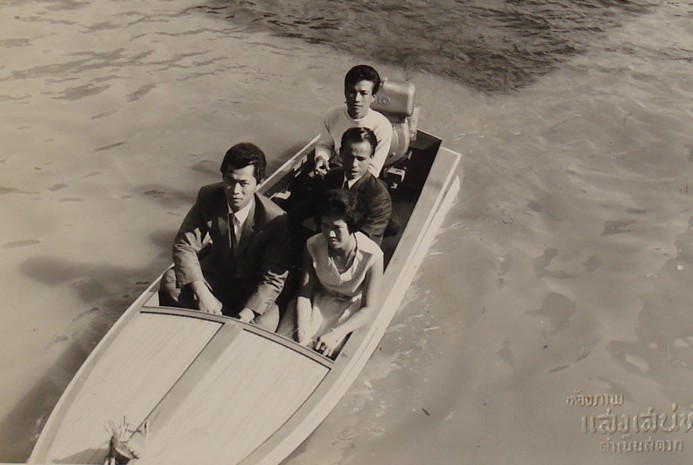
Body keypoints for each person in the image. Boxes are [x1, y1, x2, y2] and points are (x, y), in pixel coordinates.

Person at [158, 143, 290, 331]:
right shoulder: (208, 197)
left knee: (266, 323)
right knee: (170, 281)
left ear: (258, 183)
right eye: (230, 180)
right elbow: (184, 244)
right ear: (223, 176)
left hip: (250, 289)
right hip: (216, 279)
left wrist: (247, 314)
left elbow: (273, 278)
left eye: (244, 183)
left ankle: (214, 319)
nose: (235, 191)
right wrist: (202, 293)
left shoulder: (275, 219)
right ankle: (214, 315)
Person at [278, 189, 384, 358]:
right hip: (316, 302)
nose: (330, 234)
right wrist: (301, 328)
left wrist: (335, 334)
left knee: (327, 354)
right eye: (325, 226)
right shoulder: (312, 245)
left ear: (352, 227)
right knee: (285, 344)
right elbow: (304, 294)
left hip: (351, 310)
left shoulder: (373, 255)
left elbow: (368, 308)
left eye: (337, 228)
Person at [288, 127, 392, 246]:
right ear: (341, 152)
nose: (354, 164)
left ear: (372, 157)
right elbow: (305, 208)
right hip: (321, 240)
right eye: (349, 156)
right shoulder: (331, 177)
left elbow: (366, 240)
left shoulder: (378, 197)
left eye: (361, 159)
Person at [313, 64, 393, 178]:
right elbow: (325, 145)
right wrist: (321, 157)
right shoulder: (332, 115)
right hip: (334, 170)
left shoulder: (382, 126)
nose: (356, 99)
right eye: (352, 91)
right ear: (345, 92)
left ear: (373, 97)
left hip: (363, 179)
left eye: (363, 93)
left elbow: (373, 170)